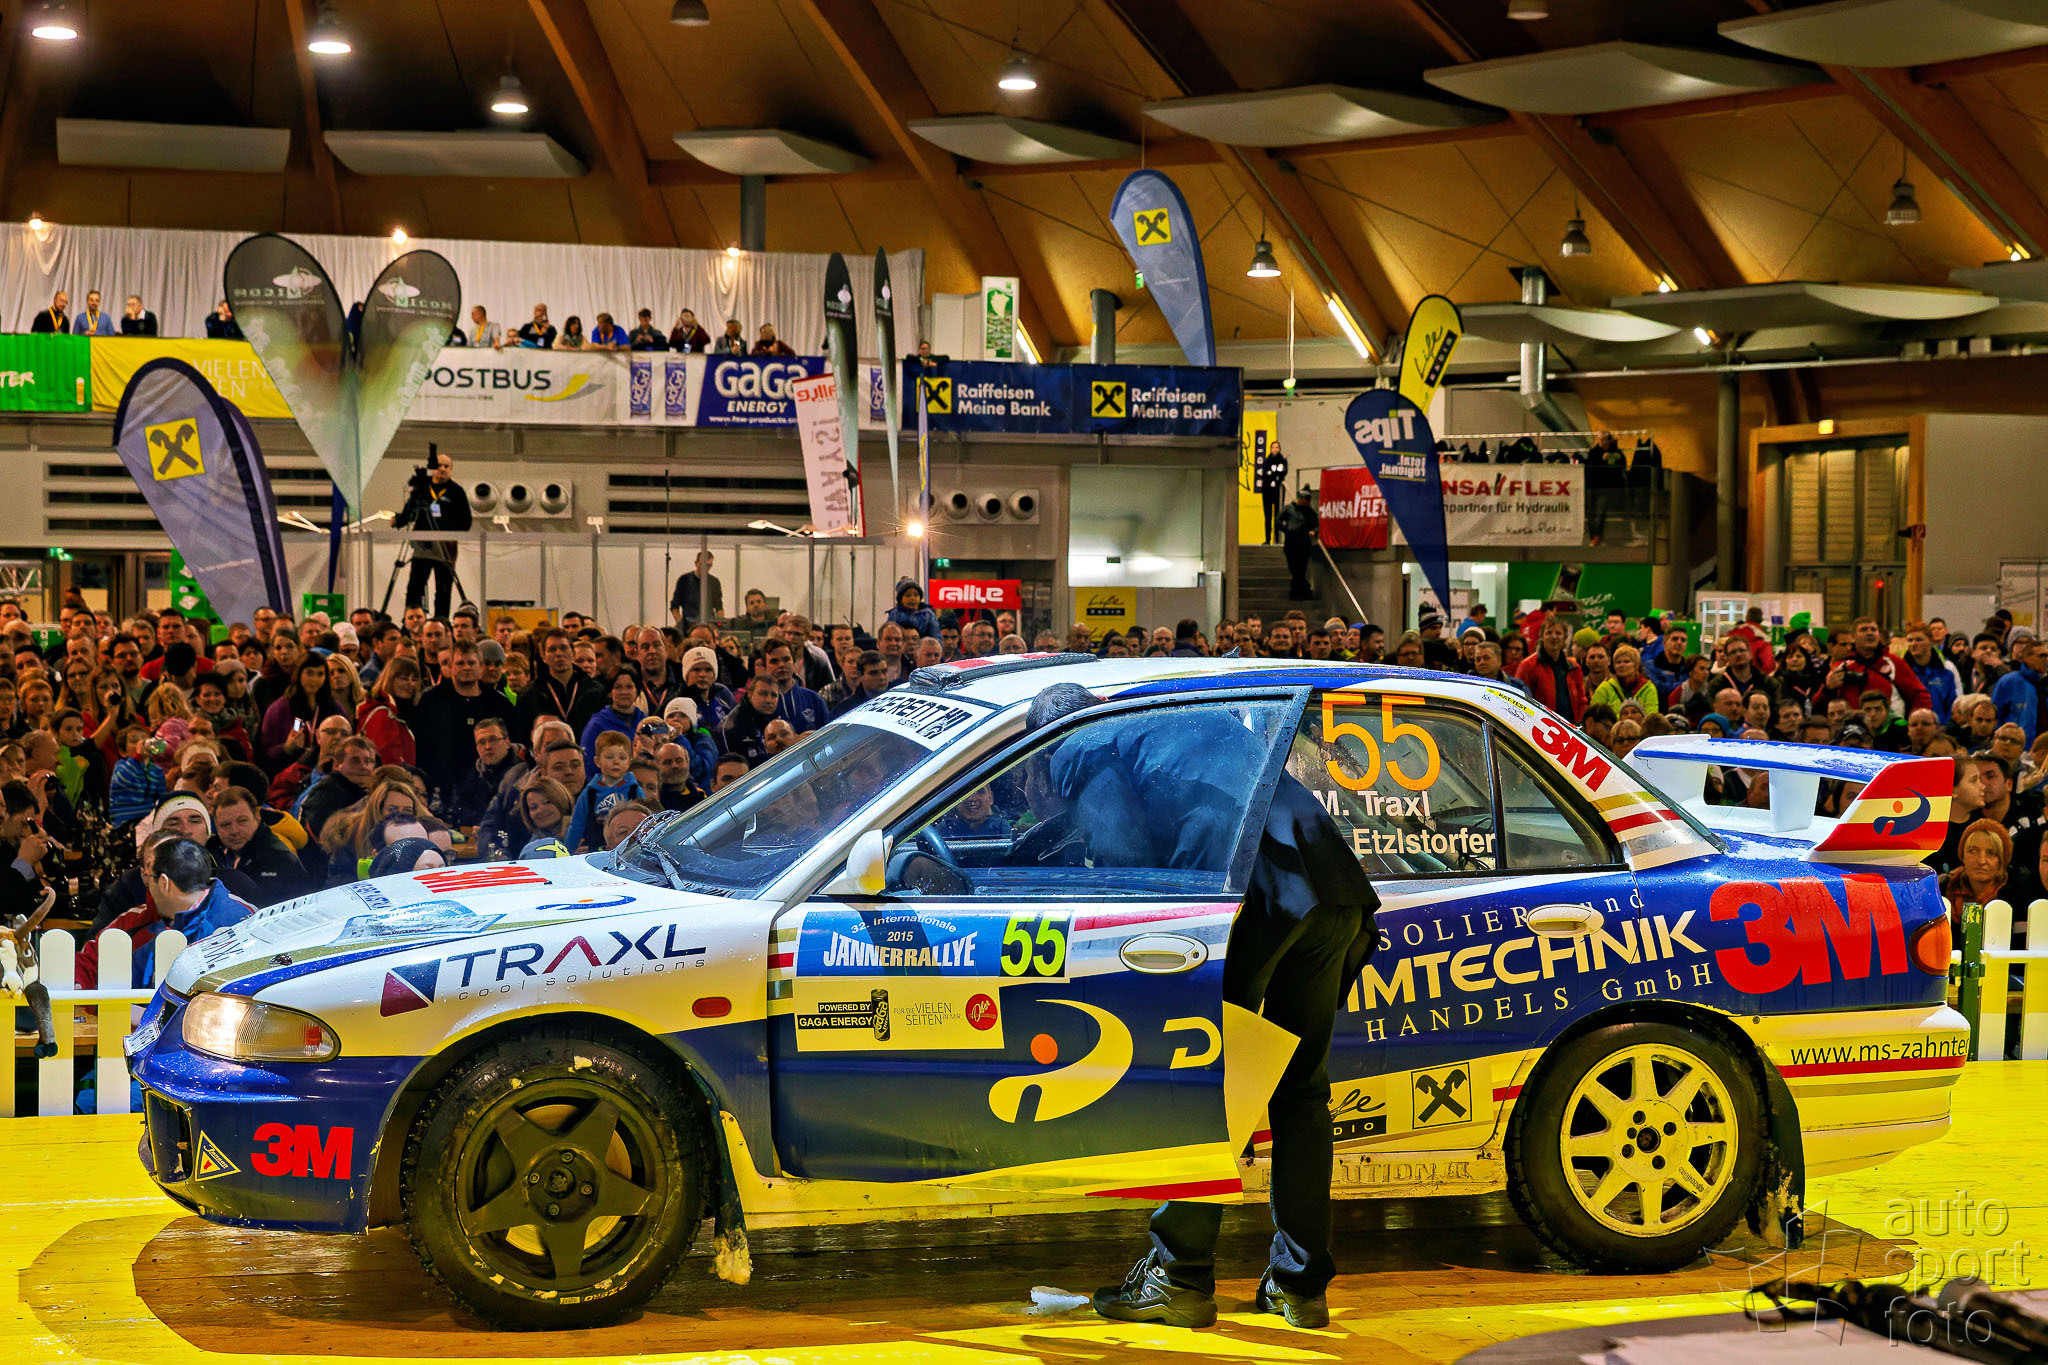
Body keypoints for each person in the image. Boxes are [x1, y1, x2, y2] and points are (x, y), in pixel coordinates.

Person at [1004, 685, 1378, 1330]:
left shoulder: (1078, 745)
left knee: (1201, 1088)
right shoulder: (1155, 728)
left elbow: (1123, 862)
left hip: (1253, 897)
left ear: (1046, 738)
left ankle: (1178, 1278)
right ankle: (1300, 1286)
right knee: (1300, 1092)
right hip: (1330, 886)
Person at [78, 837, 252, 990]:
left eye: (149, 878)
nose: (147, 888)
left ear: (163, 883)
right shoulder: (245, 914)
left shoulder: (212, 924)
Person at [397, 447, 471, 620]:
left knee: (444, 588)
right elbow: (409, 511)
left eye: (446, 466)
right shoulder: (422, 488)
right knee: (415, 586)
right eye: (439, 465)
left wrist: (450, 533)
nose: (442, 469)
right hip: (422, 545)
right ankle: (412, 619)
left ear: (451, 469)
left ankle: (441, 621)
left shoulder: (456, 491)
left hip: (445, 547)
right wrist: (398, 521)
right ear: (432, 467)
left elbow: (466, 521)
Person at [209, 785, 311, 907]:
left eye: (242, 821)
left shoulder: (280, 860)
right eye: (225, 825)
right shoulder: (210, 854)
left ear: (257, 817)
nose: (234, 831)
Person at [568, 732, 645, 853]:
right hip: (595, 851)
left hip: (629, 849)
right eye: (610, 757)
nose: (616, 762)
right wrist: (568, 852)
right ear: (597, 761)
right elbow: (577, 825)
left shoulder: (634, 790)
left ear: (629, 762)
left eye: (622, 758)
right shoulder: (589, 793)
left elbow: (646, 822)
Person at [1514, 617, 1588, 722]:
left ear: (1564, 638)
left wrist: (1580, 724)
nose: (1554, 637)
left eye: (1558, 633)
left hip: (1570, 727)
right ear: (1542, 637)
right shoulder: (1528, 666)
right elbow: (1519, 701)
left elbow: (1581, 702)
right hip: (1539, 726)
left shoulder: (1574, 667)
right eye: (1549, 633)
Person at [1277, 487, 1319, 601]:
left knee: (1301, 568)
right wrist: (1286, 530)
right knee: (1294, 567)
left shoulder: (1309, 512)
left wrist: (1314, 531)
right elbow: (1278, 521)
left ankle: (1297, 592)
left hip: (1304, 543)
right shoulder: (1289, 509)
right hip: (1291, 542)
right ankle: (1303, 588)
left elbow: (1316, 524)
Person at [670, 550, 725, 627]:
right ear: (696, 563)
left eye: (709, 565)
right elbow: (674, 607)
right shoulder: (684, 580)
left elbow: (719, 607)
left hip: (709, 625)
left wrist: (720, 625)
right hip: (689, 625)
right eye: (703, 564)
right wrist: (680, 624)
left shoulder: (714, 582)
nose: (705, 568)